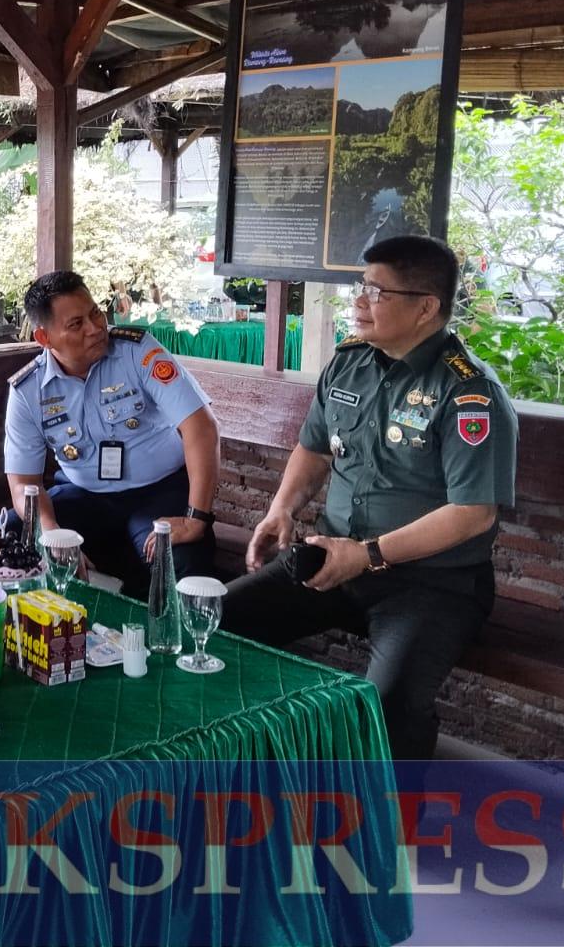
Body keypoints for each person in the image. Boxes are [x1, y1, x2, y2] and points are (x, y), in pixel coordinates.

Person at [221, 235, 518, 760]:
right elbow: (314, 448)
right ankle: (238, 761)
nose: (359, 301)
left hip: (431, 583)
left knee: (389, 703)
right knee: (211, 623)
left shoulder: (468, 392)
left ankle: (390, 811)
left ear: (425, 308)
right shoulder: (349, 362)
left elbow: (473, 513)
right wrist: (282, 508)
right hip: (334, 560)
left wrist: (368, 554)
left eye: (378, 293)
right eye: (362, 287)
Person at [3, 270, 222, 599]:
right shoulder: (28, 390)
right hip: (86, 494)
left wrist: (196, 518)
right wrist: (51, 532)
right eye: (76, 324)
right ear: (44, 338)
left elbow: (201, 427)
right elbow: (23, 483)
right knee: (6, 534)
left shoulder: (137, 352)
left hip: (161, 491)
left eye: (95, 313)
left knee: (179, 567)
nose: (95, 328)